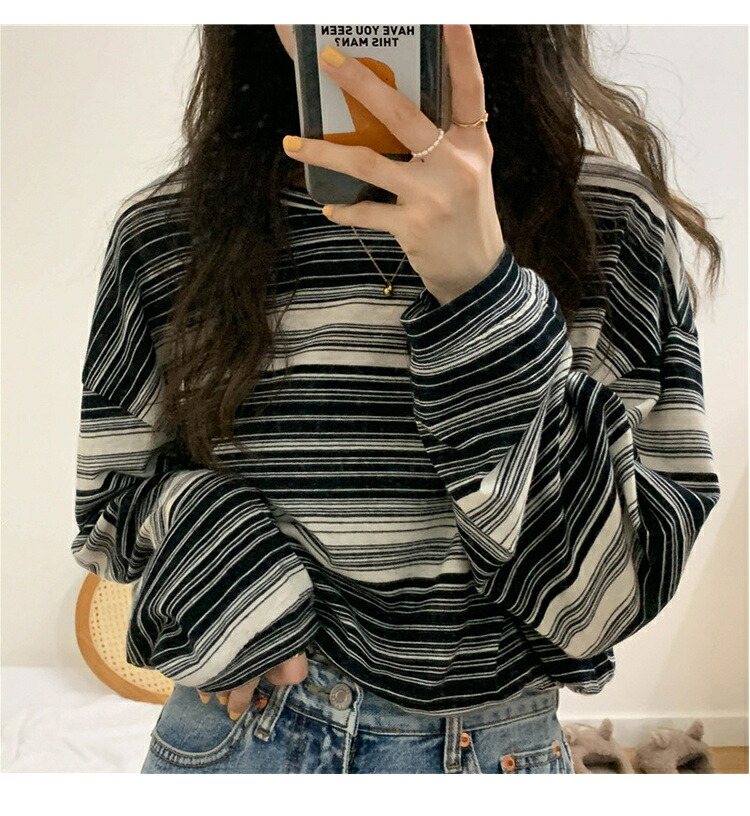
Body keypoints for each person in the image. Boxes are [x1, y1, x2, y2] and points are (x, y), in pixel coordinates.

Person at [71, 24, 722, 774]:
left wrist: (483, 297)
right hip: (238, 735)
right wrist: (225, 558)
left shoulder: (607, 224)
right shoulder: (166, 235)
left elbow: (604, 602)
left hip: (490, 748)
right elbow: (108, 513)